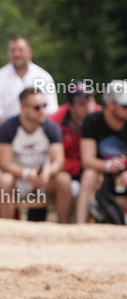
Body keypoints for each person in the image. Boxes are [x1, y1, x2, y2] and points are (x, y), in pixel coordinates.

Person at [0, 87, 69, 221]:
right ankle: (6, 230)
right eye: (37, 107)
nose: (42, 111)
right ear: (23, 107)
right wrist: (26, 174)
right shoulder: (7, 128)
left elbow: (59, 161)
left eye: (44, 106)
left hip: (41, 181)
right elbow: (4, 163)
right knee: (4, 180)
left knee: (64, 179)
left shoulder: (51, 128)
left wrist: (48, 172)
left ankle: (65, 228)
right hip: (18, 180)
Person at [49, 80, 100, 223]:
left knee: (92, 177)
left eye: (91, 100)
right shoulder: (54, 122)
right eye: (82, 104)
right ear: (70, 106)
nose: (89, 108)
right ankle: (65, 228)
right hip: (66, 172)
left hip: (92, 172)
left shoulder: (102, 116)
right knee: (65, 181)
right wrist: (83, 165)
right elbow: (53, 160)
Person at [80, 80, 127, 224]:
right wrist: (108, 166)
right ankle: (78, 227)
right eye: (125, 106)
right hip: (102, 175)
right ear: (110, 105)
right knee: (89, 175)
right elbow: (87, 160)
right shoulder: (92, 121)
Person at [0, 36, 59, 126]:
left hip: (40, 133)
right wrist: (10, 133)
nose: (17, 54)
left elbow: (51, 111)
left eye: (20, 50)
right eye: (13, 50)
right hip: (7, 136)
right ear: (8, 53)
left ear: (30, 52)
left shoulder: (45, 77)